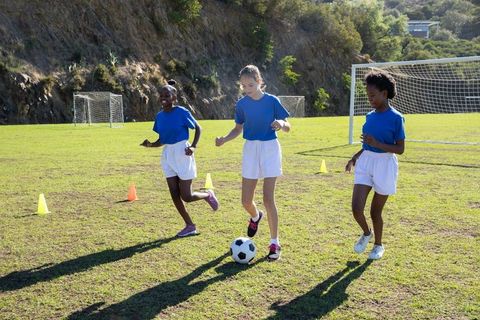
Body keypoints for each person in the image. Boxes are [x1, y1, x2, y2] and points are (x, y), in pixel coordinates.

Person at [215, 65, 291, 261]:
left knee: (268, 199)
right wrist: (224, 139)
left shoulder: (272, 101)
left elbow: (288, 125)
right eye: (243, 85)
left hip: (270, 149)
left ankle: (275, 243)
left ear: (259, 81)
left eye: (250, 84)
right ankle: (256, 216)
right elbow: (238, 128)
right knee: (246, 201)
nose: (247, 88)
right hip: (250, 149)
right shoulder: (241, 105)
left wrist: (281, 124)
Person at [141, 80, 219, 237]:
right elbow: (162, 140)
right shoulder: (159, 116)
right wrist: (150, 145)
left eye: (167, 95)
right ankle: (190, 225)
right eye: (161, 95)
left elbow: (198, 128)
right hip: (167, 155)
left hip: (183, 152)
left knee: (187, 196)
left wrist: (193, 146)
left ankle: (207, 195)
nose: (164, 98)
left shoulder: (182, 112)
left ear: (174, 97)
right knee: (174, 194)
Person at [345, 70, 405, 260]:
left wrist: (377, 144)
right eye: (367, 95)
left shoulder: (396, 118)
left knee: (374, 211)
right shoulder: (369, 116)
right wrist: (355, 157)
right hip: (366, 161)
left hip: (385, 164)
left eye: (372, 95)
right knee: (356, 208)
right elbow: (367, 144)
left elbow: (400, 149)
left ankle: (378, 245)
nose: (369, 99)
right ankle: (366, 233)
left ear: (384, 94)